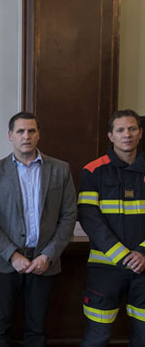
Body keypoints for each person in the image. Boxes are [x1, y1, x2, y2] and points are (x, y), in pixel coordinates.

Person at [0, 111, 77, 347]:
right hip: (5, 263)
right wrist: (12, 255)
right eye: (20, 131)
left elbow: (68, 217)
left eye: (31, 131)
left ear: (38, 135)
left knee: (37, 328)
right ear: (10, 136)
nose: (26, 136)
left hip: (44, 262)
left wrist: (49, 255)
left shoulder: (60, 169)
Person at [78, 109, 145, 347]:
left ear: (140, 133)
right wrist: (123, 255)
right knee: (97, 337)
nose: (126, 134)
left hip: (144, 267)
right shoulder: (92, 171)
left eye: (132, 129)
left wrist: (142, 253)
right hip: (104, 269)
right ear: (110, 136)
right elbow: (89, 219)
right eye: (120, 130)